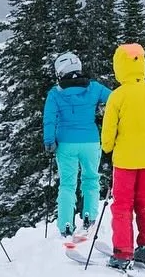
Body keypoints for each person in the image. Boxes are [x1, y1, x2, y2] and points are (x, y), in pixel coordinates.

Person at [100, 44, 145, 270]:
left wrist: (107, 148)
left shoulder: (117, 96)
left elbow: (108, 132)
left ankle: (123, 252)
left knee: (122, 205)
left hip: (126, 160)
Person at [43, 52, 112, 238]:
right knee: (91, 179)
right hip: (91, 141)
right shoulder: (94, 88)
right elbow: (114, 100)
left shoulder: (55, 93)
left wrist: (49, 141)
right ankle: (89, 216)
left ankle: (66, 224)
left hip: (65, 143)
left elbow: (49, 119)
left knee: (67, 184)